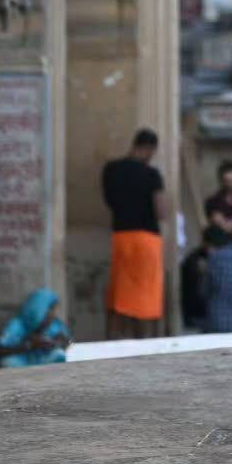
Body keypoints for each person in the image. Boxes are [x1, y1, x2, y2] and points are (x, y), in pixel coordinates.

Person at [101, 129, 166, 338]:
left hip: (121, 237)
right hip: (146, 239)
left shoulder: (111, 169)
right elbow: (160, 211)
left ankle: (112, 343)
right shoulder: (151, 174)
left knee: (118, 297)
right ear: (149, 148)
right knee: (145, 299)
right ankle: (144, 343)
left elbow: (109, 202)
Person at [0, 289, 70, 367]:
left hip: (43, 361)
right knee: (7, 362)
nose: (53, 314)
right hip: (22, 362)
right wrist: (29, 345)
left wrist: (57, 342)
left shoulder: (54, 324)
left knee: (59, 354)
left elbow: (66, 343)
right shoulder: (18, 324)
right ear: (39, 310)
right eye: (50, 309)